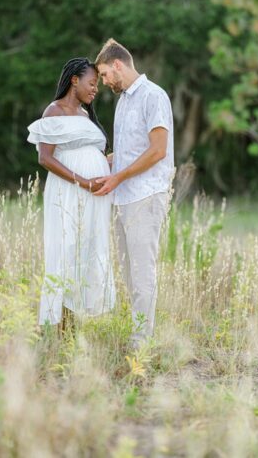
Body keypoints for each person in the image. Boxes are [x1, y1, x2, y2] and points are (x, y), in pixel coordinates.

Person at [92, 39, 175, 348]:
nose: (102, 82)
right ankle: (138, 332)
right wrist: (96, 160)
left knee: (142, 272)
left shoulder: (154, 96)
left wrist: (118, 177)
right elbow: (128, 153)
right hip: (123, 197)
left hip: (146, 196)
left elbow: (157, 151)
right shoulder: (124, 100)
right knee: (129, 274)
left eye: (103, 74)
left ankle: (141, 343)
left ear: (117, 65)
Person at [28, 57, 116, 330]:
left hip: (92, 195)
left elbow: (91, 154)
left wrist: (111, 164)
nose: (95, 90)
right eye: (92, 83)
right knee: (67, 249)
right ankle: (59, 326)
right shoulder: (54, 111)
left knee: (85, 250)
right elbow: (45, 158)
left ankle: (74, 322)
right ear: (74, 80)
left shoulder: (85, 115)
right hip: (69, 191)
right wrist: (82, 181)